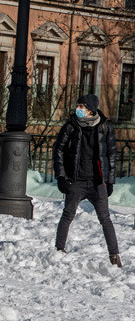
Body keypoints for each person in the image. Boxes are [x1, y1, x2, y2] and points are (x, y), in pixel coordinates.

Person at [53, 94, 122, 268]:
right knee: (67, 215)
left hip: (98, 182)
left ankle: (114, 257)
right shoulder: (71, 126)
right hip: (76, 180)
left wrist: (110, 181)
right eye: (78, 106)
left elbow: (112, 155)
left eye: (81, 106)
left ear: (90, 109)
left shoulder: (105, 127)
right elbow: (58, 150)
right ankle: (58, 251)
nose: (78, 109)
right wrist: (61, 176)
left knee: (105, 219)